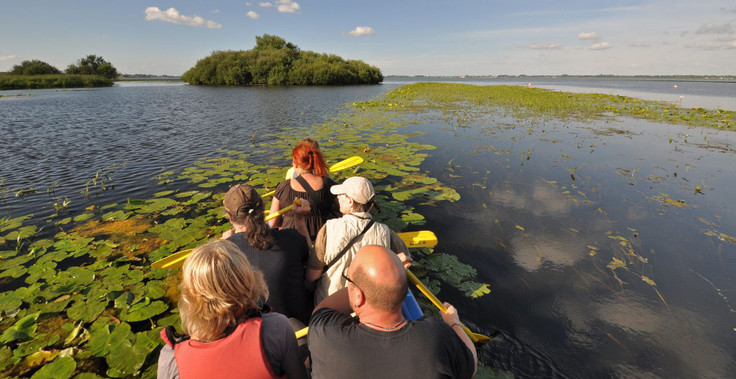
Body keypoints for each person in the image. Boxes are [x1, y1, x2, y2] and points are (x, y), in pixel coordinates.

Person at [308, 245, 477, 379]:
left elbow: (322, 310)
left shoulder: (325, 335)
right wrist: (453, 322)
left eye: (348, 280)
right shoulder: (437, 336)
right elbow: (472, 365)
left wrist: (368, 283)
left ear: (358, 296)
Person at [157, 239, 308, 379]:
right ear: (247, 285)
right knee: (295, 325)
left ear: (190, 297)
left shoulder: (171, 358)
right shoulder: (275, 328)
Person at [305, 176, 409, 304]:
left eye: (341, 195)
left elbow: (312, 276)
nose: (337, 197)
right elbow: (406, 260)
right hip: (368, 307)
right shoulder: (387, 232)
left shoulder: (329, 228)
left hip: (331, 306)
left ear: (350, 202)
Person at [221, 183, 313, 325]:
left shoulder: (225, 251)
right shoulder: (292, 237)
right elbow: (310, 257)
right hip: (300, 322)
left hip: (257, 330)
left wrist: (224, 245)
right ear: (262, 209)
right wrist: (300, 221)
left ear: (229, 217)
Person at [269, 138, 337, 241]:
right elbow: (339, 213)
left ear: (296, 163)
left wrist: (287, 220)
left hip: (291, 240)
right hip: (321, 240)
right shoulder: (328, 184)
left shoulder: (283, 187)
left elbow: (272, 222)